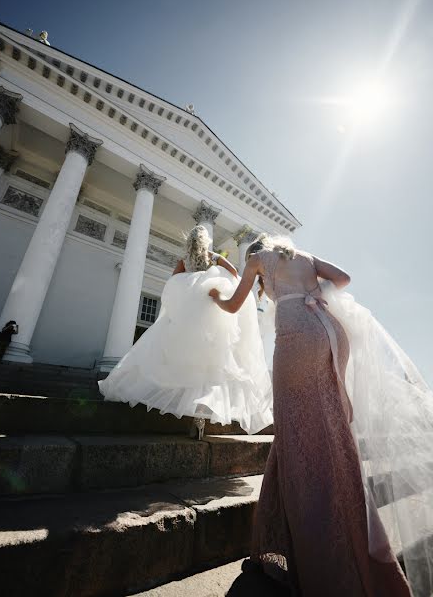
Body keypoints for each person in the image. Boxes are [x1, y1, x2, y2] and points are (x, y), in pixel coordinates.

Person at [209, 233, 428, 596]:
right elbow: (343, 278)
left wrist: (216, 297)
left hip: (297, 337)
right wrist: (314, 292)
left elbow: (234, 304)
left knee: (293, 428)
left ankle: (312, 544)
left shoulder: (257, 258)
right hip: (329, 332)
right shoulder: (303, 255)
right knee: (331, 422)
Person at [98, 225, 273, 439]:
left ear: (189, 242)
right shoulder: (213, 256)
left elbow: (172, 284)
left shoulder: (184, 261)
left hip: (188, 317)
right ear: (206, 242)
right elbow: (235, 273)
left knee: (179, 362)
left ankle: (173, 409)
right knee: (207, 368)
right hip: (209, 318)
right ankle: (199, 421)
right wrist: (214, 280)